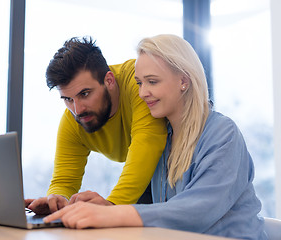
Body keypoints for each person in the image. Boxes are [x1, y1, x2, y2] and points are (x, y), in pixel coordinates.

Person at [42, 34, 267, 239]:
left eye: (152, 81)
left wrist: (112, 212)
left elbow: (197, 210)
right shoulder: (165, 144)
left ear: (183, 81)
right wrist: (91, 207)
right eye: (139, 83)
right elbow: (150, 210)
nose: (141, 93)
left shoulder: (223, 134)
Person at [26, 37, 167, 214]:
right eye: (68, 99)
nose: (77, 110)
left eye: (85, 94)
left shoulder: (138, 83)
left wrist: (112, 205)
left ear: (109, 80)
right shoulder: (73, 120)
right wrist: (56, 200)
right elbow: (64, 181)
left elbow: (148, 141)